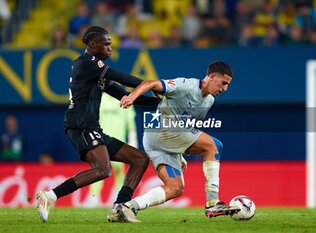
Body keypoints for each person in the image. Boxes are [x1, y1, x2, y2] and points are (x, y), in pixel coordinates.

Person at [35, 26, 159, 223]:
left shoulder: (97, 73)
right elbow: (121, 77)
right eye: (107, 44)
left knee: (140, 159)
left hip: (92, 128)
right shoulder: (86, 63)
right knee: (104, 169)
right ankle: (50, 196)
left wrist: (161, 102)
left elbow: (124, 94)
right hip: (80, 125)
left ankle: (120, 207)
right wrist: (153, 85)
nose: (110, 48)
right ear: (93, 44)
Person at [116, 61, 239, 222]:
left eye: (227, 85)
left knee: (175, 188)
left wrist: (179, 152)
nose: (224, 89)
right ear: (212, 76)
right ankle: (213, 202)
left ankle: (127, 207)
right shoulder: (186, 86)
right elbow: (151, 83)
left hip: (159, 141)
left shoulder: (209, 101)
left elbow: (186, 125)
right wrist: (132, 96)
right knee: (214, 146)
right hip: (161, 130)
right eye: (223, 83)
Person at [86, 92, 139, 207]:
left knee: (119, 169)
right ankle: (93, 197)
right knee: (100, 167)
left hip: (119, 140)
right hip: (101, 139)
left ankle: (118, 197)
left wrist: (133, 139)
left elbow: (130, 122)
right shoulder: (100, 99)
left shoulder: (126, 100)